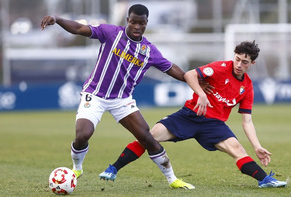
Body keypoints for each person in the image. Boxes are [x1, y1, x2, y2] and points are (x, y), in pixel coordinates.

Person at [40, 4, 195, 189]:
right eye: (134, 22)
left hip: (122, 100)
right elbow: (80, 28)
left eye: (142, 23)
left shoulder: (149, 51)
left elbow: (171, 68)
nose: (137, 27)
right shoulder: (110, 33)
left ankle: (173, 180)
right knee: (83, 135)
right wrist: (57, 19)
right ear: (127, 20)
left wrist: (193, 81)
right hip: (95, 94)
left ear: (146, 23)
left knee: (147, 137)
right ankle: (77, 168)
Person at [100, 40, 288, 188]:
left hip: (213, 125)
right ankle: (113, 169)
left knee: (238, 151)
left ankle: (265, 180)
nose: (239, 64)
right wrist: (201, 95)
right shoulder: (221, 67)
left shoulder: (247, 87)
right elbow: (190, 74)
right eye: (237, 59)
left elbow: (247, 121)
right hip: (189, 116)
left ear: (252, 63)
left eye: (244, 62)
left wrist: (257, 146)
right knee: (148, 137)